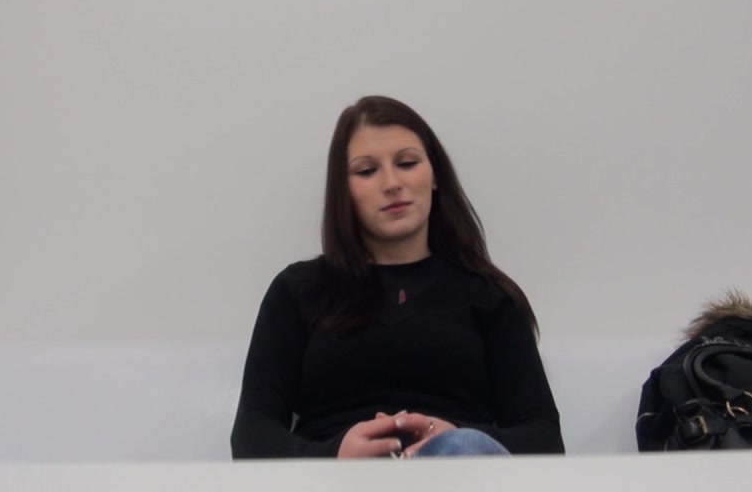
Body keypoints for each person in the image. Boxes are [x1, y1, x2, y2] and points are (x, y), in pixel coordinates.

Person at [230, 95, 564, 459]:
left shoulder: (488, 294)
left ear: (435, 176)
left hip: (457, 472)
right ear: (344, 191)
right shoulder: (299, 290)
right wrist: (334, 455)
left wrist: (457, 436)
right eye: (366, 171)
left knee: (461, 447)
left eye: (407, 163)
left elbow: (544, 437)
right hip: (338, 479)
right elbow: (252, 433)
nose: (391, 183)